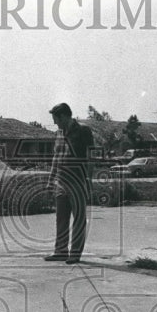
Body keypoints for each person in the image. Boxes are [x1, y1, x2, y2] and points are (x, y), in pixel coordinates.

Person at [45, 102, 94, 264]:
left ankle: (75, 253)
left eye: (55, 119)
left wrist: (88, 180)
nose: (54, 123)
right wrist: (51, 180)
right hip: (61, 181)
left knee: (79, 218)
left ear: (64, 116)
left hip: (77, 181)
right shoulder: (59, 134)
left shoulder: (83, 131)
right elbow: (56, 158)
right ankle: (60, 251)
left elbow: (90, 157)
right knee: (61, 218)